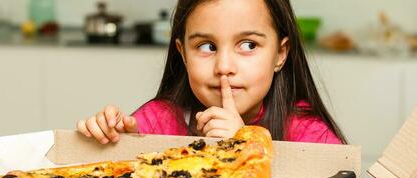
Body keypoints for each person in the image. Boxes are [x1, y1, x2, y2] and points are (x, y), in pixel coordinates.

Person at [76, 0, 347, 145]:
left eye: (248, 45)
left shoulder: (310, 134)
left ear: (280, 54)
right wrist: (109, 136)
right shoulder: (158, 122)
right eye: (207, 46)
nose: (224, 67)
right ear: (182, 53)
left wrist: (245, 147)